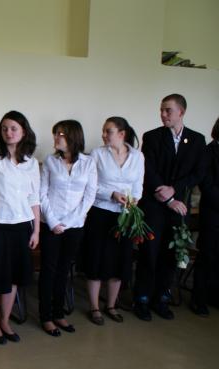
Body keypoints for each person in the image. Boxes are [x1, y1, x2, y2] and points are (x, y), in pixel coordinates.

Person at [134, 94, 206, 321]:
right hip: (154, 205)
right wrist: (165, 197)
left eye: (168, 110)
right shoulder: (152, 137)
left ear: (181, 112)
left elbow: (198, 173)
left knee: (171, 254)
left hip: (179, 206)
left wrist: (174, 190)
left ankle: (161, 299)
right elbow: (148, 170)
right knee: (149, 253)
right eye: (161, 110)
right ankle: (142, 299)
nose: (163, 114)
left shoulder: (197, 140)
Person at [0, 110, 40, 345]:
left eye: (13, 128)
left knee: (13, 277)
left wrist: (36, 230)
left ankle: (5, 320)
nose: (8, 132)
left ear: (24, 131)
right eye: (4, 128)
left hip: (22, 226)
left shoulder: (31, 163)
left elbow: (34, 199)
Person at [82, 117, 144, 325]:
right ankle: (94, 307)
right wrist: (112, 194)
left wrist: (134, 200)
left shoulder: (138, 156)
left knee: (120, 260)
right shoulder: (97, 154)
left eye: (108, 131)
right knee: (96, 259)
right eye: (103, 131)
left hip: (125, 215)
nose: (103, 135)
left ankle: (111, 305)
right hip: (100, 213)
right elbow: (91, 185)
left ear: (121, 134)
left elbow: (138, 185)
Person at [39, 120, 96, 336]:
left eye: (60, 134)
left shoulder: (89, 163)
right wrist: (53, 222)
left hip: (75, 225)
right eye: (55, 134)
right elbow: (42, 194)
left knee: (64, 270)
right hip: (50, 224)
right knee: (49, 270)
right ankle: (46, 317)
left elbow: (89, 196)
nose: (55, 138)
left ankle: (58, 313)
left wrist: (69, 222)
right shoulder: (50, 161)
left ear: (73, 136)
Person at [190, 117, 219, 316]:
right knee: (207, 255)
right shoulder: (209, 151)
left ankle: (214, 295)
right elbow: (206, 184)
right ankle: (199, 299)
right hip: (213, 212)